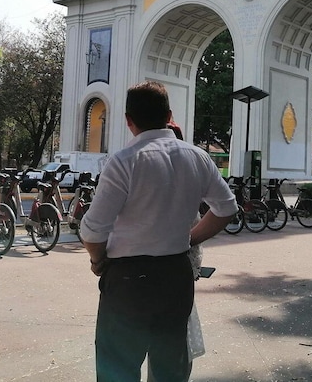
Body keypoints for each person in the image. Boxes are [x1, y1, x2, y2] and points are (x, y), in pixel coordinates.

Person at [80, 81, 238, 382]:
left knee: (119, 368)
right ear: (169, 115)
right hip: (175, 275)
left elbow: (93, 229)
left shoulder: (124, 161)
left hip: (127, 280)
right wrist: (190, 238)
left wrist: (96, 259)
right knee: (169, 368)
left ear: (128, 120)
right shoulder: (197, 157)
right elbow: (226, 209)